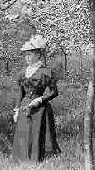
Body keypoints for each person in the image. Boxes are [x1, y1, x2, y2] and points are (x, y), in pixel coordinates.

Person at [11, 34, 61, 162]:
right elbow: (20, 93)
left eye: (30, 54)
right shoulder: (22, 72)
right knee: (23, 133)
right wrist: (16, 109)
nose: (27, 58)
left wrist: (40, 99)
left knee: (37, 133)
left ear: (38, 55)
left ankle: (37, 159)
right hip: (24, 106)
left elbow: (54, 92)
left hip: (40, 108)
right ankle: (22, 160)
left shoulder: (46, 72)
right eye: (25, 55)